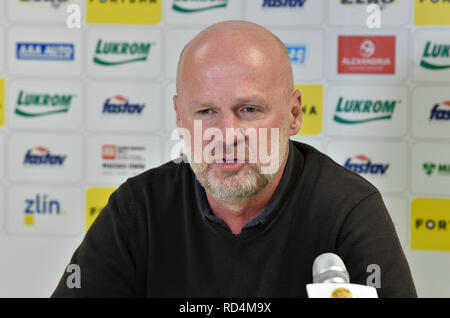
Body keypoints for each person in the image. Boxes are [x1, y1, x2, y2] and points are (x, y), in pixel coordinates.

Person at [52, 20, 416, 297]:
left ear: (293, 114)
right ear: (180, 118)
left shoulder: (348, 209)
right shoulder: (139, 208)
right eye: (206, 111)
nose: (226, 135)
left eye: (249, 109)